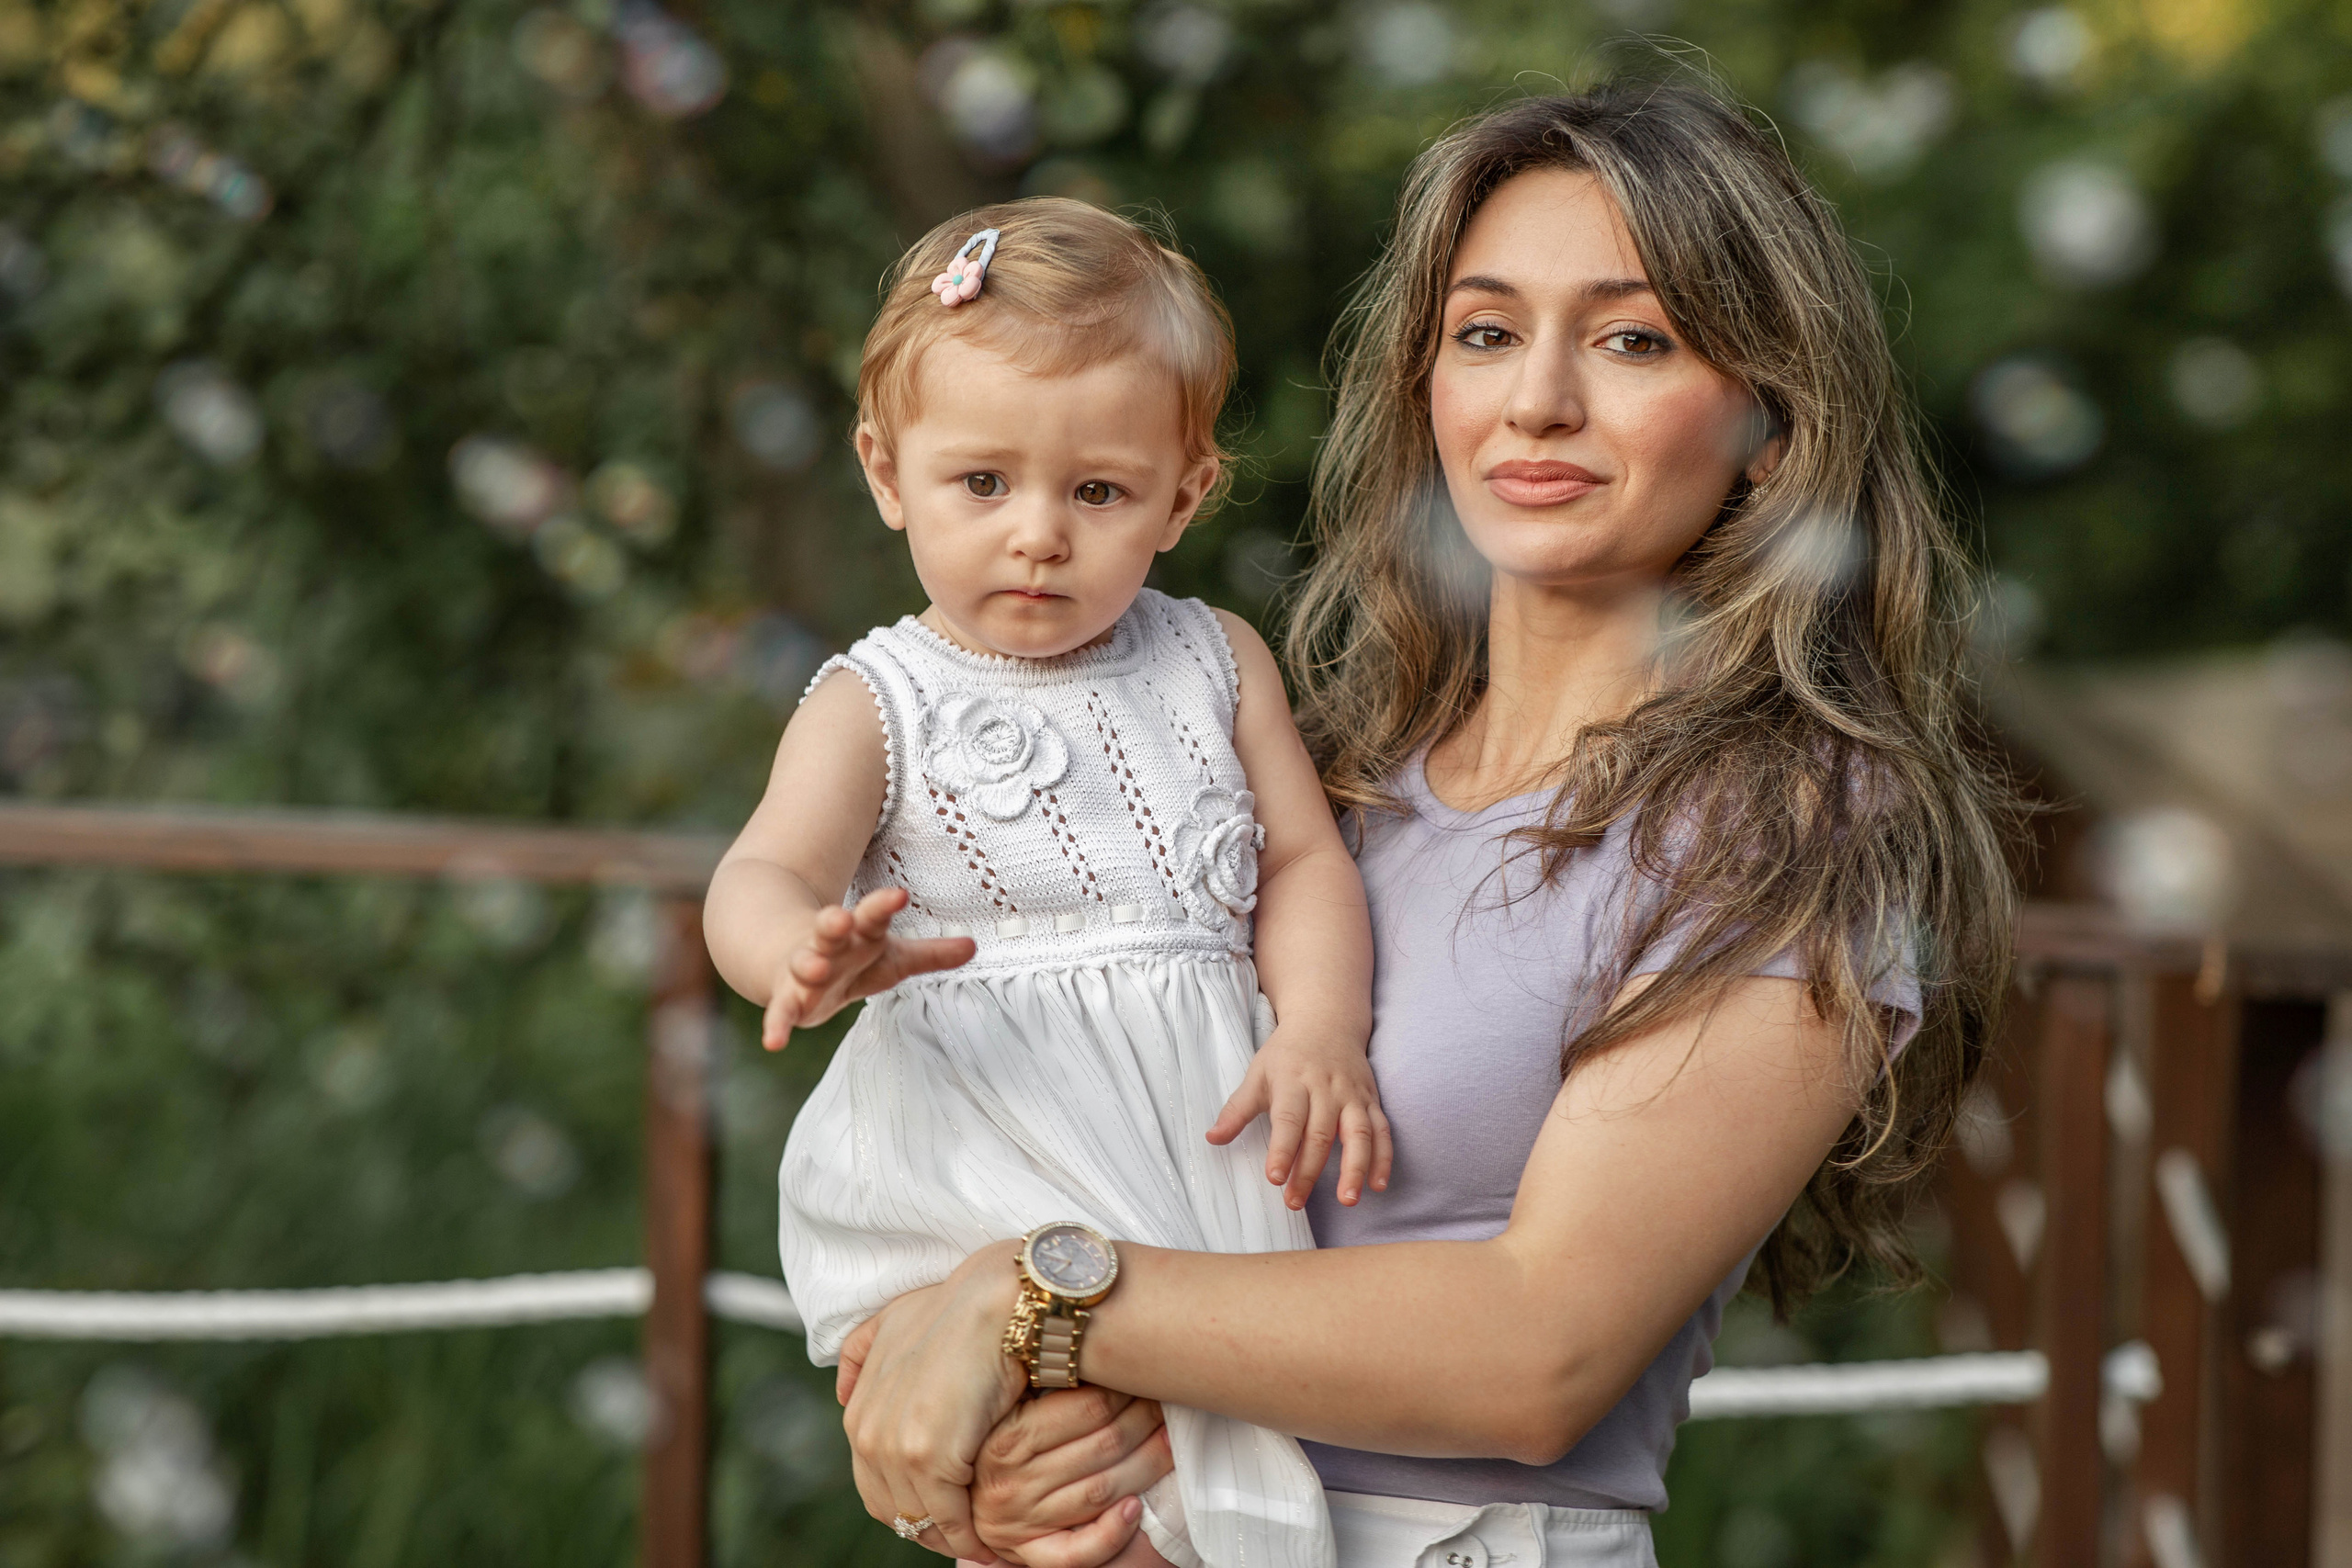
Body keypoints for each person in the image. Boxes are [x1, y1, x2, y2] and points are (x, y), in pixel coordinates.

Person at [828, 78, 2021, 1568]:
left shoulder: (1793, 823)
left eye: (1634, 338)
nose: (1538, 400)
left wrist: (1039, 1303)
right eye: (1487, 331)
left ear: (1775, 419)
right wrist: (1022, 1473)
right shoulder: (1310, 777)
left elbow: (1541, 1354)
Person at [702, 198, 1393, 1568]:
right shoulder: (877, 697)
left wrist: (1318, 1026)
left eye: (1097, 492)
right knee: (1061, 1483)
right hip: (984, 1146)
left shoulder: (1218, 661)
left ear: (1184, 496)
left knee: (1203, 1442)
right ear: (888, 473)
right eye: (982, 484)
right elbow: (764, 867)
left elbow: (1307, 859)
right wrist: (797, 949)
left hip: (1186, 1150)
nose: (1038, 535)